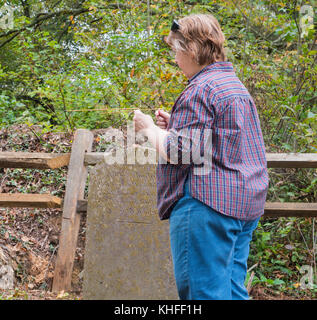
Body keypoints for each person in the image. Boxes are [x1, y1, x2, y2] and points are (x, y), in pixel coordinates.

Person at [133, 13, 269, 300]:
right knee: (232, 291)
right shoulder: (234, 86)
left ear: (191, 49)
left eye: (175, 49)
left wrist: (147, 129)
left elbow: (180, 152)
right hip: (242, 208)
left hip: (207, 207)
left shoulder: (200, 89)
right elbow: (222, 140)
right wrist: (176, 126)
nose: (174, 58)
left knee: (202, 294)